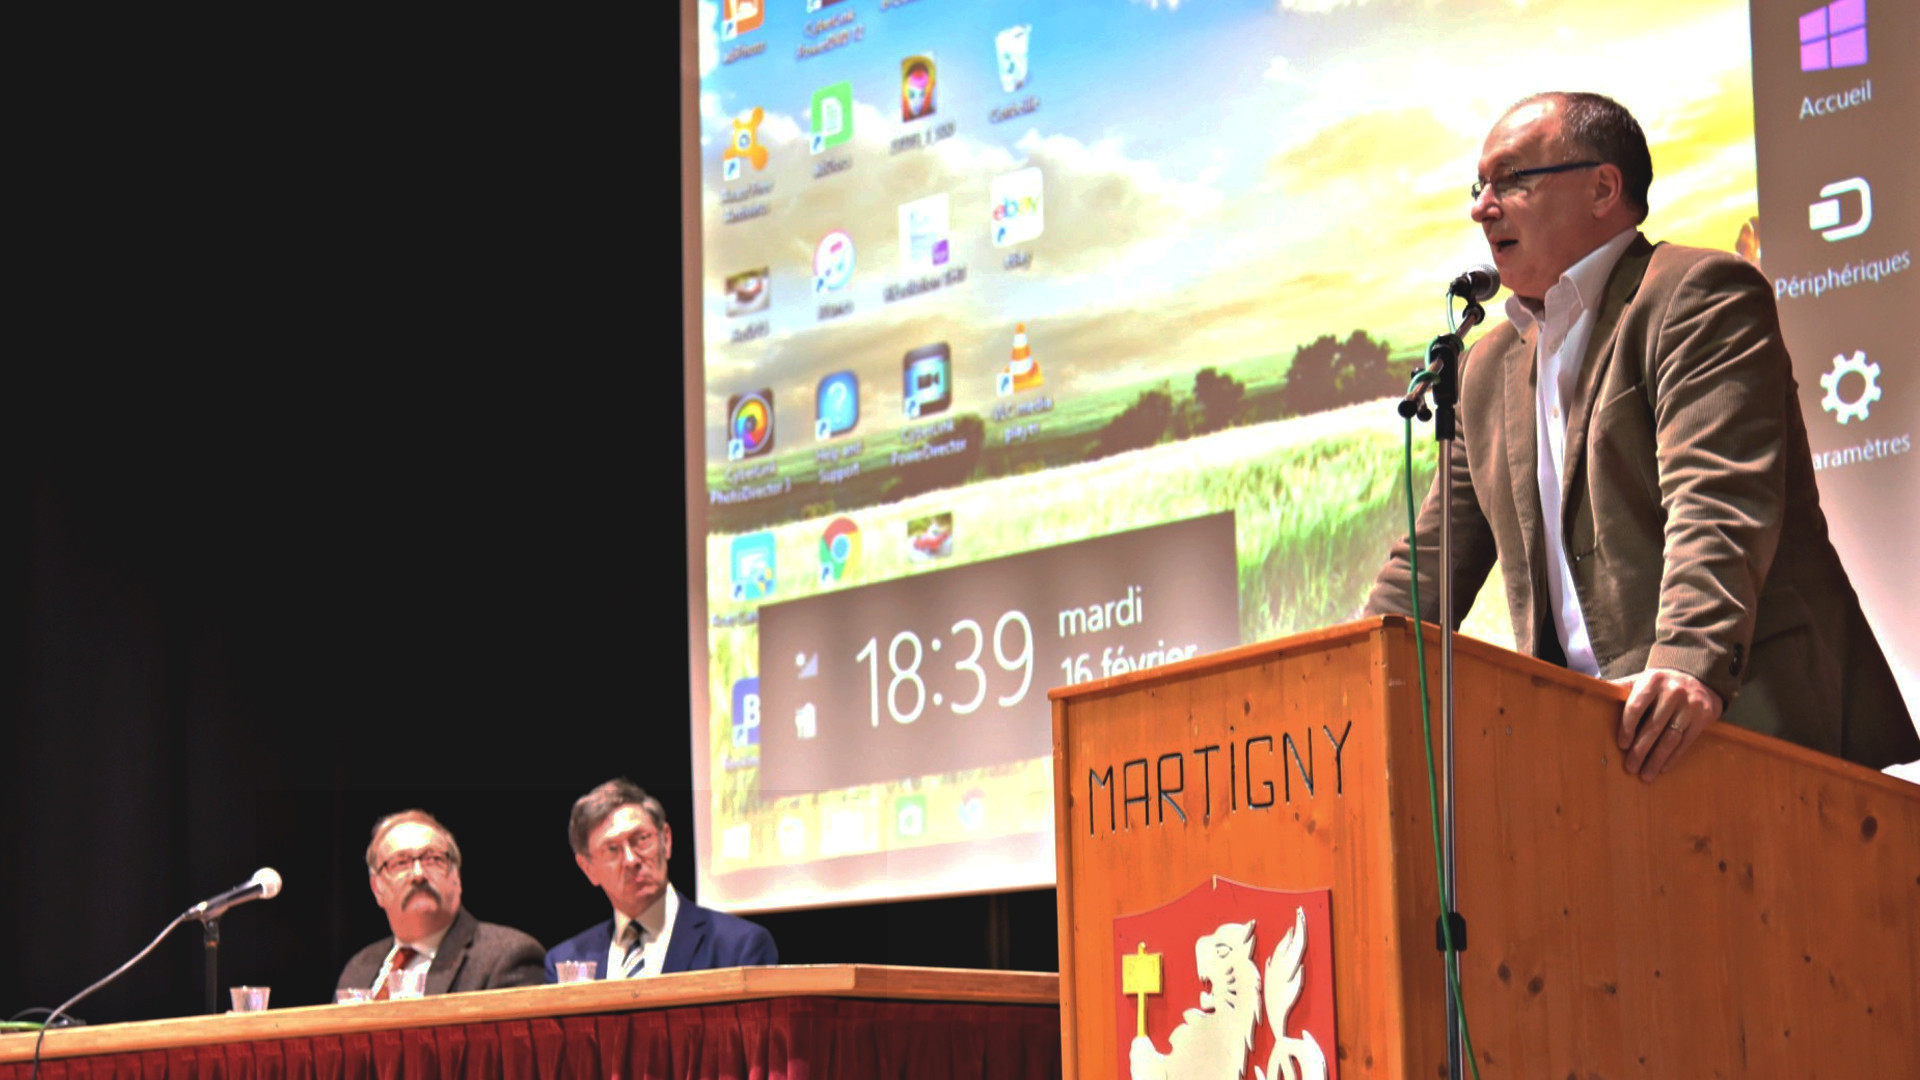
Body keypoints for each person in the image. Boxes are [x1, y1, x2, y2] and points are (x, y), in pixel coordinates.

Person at [1366, 91, 1917, 781]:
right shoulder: (1486, 368)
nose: (1482, 206)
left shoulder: (1697, 294)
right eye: (1479, 187)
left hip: (1746, 725)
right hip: (1591, 754)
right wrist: (1340, 682)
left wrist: (1689, 663)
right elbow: (1429, 563)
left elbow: (1716, 501)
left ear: (1603, 187)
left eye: (1511, 181)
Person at [545, 779, 776, 980]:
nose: (631, 859)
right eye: (612, 849)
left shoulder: (738, 945)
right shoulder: (566, 961)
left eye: (641, 839)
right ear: (588, 869)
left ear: (666, 840)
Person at [336, 810, 546, 998]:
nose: (418, 875)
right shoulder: (358, 969)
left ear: (457, 877)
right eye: (400, 863)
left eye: (433, 859)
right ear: (377, 888)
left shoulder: (506, 956)